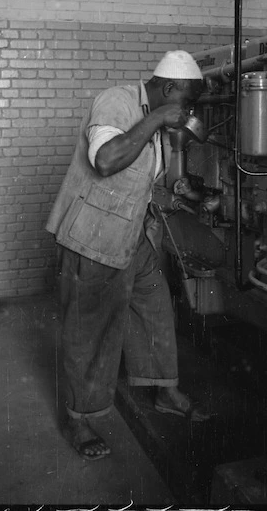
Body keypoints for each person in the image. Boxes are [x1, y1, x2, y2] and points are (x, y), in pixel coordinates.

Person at [46, 50, 209, 461]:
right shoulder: (117, 101)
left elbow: (139, 178)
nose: (186, 110)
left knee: (155, 308)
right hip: (94, 239)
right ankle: (78, 418)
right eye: (185, 101)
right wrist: (156, 120)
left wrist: (180, 192)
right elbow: (106, 161)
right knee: (89, 330)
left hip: (132, 238)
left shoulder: (156, 116)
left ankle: (164, 390)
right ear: (169, 89)